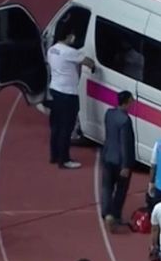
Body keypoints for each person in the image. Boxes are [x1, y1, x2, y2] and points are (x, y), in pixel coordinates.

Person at [48, 28, 96, 169]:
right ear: (68, 36)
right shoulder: (69, 52)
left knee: (56, 126)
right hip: (68, 94)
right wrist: (93, 65)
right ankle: (65, 160)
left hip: (55, 90)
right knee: (66, 128)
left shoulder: (51, 50)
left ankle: (54, 155)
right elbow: (88, 62)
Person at [100, 91, 135, 231]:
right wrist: (125, 165)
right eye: (131, 100)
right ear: (126, 102)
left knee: (107, 188)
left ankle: (106, 212)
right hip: (120, 161)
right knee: (121, 190)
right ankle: (115, 215)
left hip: (108, 156)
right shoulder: (125, 120)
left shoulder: (109, 113)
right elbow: (125, 144)